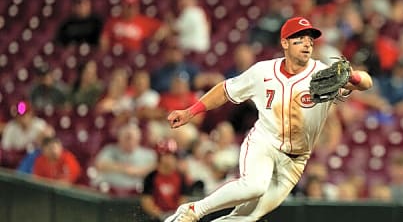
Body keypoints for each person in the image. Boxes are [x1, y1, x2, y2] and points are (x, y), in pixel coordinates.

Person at [165, 17, 373, 222]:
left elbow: (366, 82)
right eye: (299, 39)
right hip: (264, 143)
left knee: (249, 217)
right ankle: (193, 210)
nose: (307, 44)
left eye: (310, 39)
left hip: (295, 160)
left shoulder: (322, 73)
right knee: (254, 186)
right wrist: (190, 112)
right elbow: (225, 90)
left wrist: (352, 78)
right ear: (284, 43)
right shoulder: (263, 71)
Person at [93, 124, 157, 192]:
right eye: (126, 137)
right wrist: (125, 169)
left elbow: (154, 169)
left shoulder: (149, 154)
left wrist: (138, 171)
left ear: (138, 138)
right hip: (108, 189)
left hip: (135, 192)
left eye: (131, 137)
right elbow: (99, 165)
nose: (129, 141)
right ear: (119, 137)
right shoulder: (110, 149)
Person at [142, 140, 191, 222]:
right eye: (167, 155)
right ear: (160, 158)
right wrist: (160, 214)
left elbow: (183, 199)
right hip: (156, 218)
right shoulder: (151, 177)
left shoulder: (181, 177)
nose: (171, 159)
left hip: (177, 216)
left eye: (172, 156)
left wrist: (175, 214)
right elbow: (146, 202)